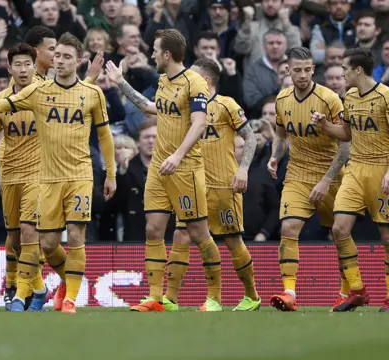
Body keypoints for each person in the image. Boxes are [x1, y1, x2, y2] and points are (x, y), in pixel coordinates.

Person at [0, 32, 116, 314]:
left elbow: (90, 114)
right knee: (31, 241)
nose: (58, 60)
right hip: (17, 177)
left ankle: (50, 296)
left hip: (61, 174)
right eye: (56, 55)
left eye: (65, 56)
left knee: (67, 233)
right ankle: (47, 287)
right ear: (10, 67)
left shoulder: (83, 92)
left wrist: (111, 173)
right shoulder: (34, 93)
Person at [106, 29, 223, 313]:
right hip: (160, 168)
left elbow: (199, 123)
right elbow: (149, 108)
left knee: (198, 232)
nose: (152, 55)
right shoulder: (162, 82)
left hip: (185, 168)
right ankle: (156, 297)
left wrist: (178, 154)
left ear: (167, 54)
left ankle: (215, 298)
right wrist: (120, 83)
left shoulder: (194, 83)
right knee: (153, 229)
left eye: (155, 50)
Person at [162, 57, 260, 312]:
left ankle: (252, 296)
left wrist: (243, 169)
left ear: (204, 80)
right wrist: (120, 83)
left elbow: (251, 138)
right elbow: (150, 107)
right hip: (192, 184)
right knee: (181, 234)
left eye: (191, 76)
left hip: (223, 185)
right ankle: (172, 299)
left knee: (231, 241)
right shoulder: (186, 108)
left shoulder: (226, 105)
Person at [267, 47, 348, 312]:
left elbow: (346, 143)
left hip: (331, 174)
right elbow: (280, 135)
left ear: (314, 69)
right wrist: (275, 157)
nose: (303, 75)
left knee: (339, 233)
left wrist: (325, 181)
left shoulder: (330, 99)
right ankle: (289, 292)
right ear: (287, 70)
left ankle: (347, 291)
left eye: (307, 69)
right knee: (289, 228)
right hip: (298, 174)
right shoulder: (282, 99)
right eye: (297, 70)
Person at [311, 47, 389, 312]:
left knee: (387, 236)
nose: (341, 73)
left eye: (344, 69)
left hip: (382, 168)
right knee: (339, 229)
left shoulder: (386, 96)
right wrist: (323, 126)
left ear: (358, 70)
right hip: (355, 168)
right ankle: (357, 290)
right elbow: (345, 133)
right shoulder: (350, 96)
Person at [0, 43, 48, 312]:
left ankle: (19, 295)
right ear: (9, 68)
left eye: (28, 64)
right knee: (14, 240)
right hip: (10, 174)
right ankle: (39, 288)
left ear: (35, 66)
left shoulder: (47, 93)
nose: (23, 69)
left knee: (29, 233)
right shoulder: (1, 100)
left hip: (38, 174)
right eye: (18, 64)